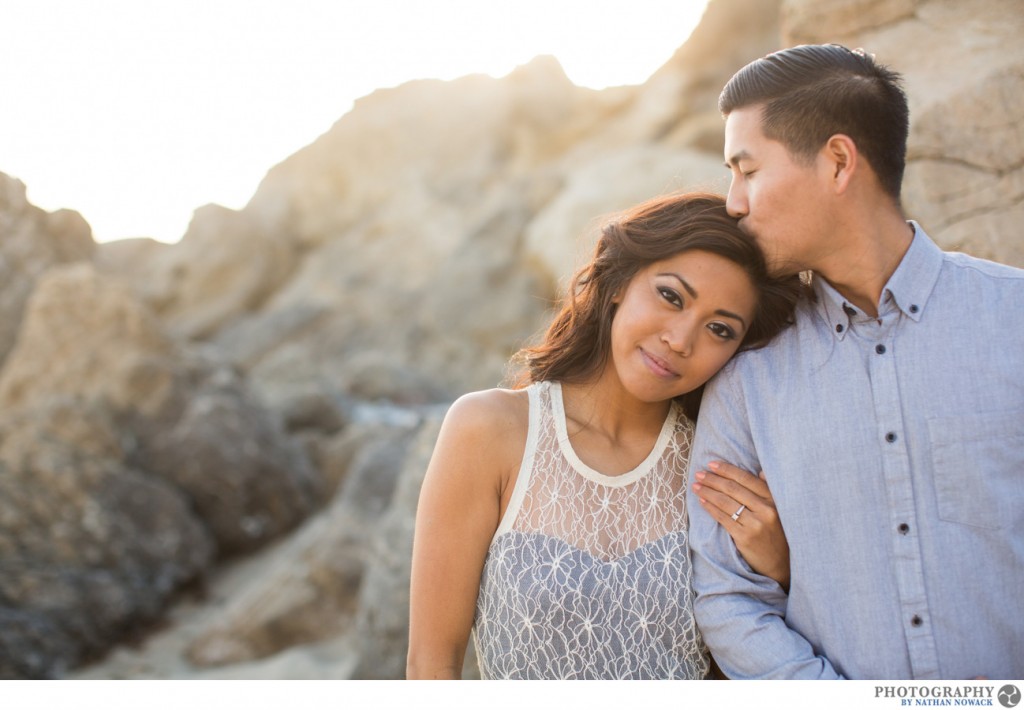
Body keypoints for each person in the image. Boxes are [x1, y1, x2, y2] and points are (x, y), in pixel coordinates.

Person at [687, 44, 1024, 680]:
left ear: (838, 161)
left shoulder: (1015, 321)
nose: (733, 201)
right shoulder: (746, 374)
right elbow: (729, 598)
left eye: (748, 169)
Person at [406, 192, 804, 679]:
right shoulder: (489, 430)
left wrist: (781, 573)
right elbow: (431, 664)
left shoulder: (717, 465)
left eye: (720, 329)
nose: (680, 340)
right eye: (671, 296)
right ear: (618, 283)